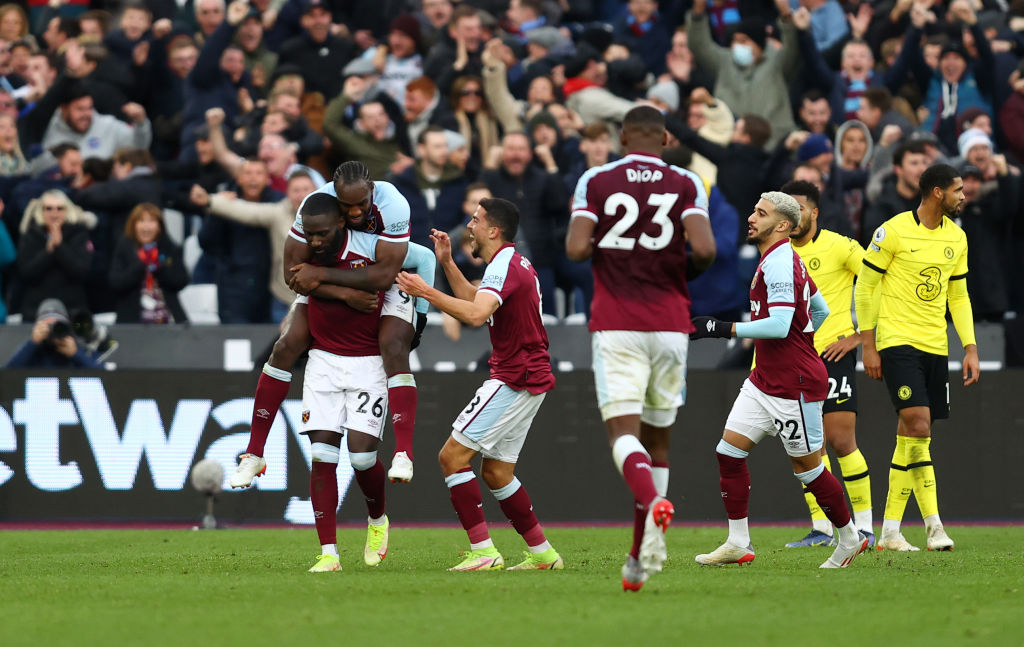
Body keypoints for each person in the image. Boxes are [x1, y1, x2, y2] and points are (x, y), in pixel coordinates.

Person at [564, 106, 716, 590]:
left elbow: (575, 249)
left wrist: (609, 250)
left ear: (623, 136)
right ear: (667, 138)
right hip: (672, 324)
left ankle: (653, 504)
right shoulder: (688, 182)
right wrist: (674, 273)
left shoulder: (597, 179)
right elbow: (707, 251)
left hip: (618, 322)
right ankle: (642, 556)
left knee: (622, 435)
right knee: (659, 442)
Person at [688, 191, 868, 569]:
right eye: (753, 210)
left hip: (793, 383)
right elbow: (820, 310)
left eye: (761, 213)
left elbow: (782, 323)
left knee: (809, 468)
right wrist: (804, 340)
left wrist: (720, 328)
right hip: (765, 377)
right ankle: (738, 542)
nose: (751, 218)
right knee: (729, 452)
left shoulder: (781, 262)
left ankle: (850, 538)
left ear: (783, 226)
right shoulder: (783, 258)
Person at [230, 162, 433, 489]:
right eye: (346, 205)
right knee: (285, 347)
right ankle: (254, 453)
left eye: (361, 204)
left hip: (379, 274)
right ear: (334, 197)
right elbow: (291, 275)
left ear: (372, 191)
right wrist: (343, 292)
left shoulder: (393, 204)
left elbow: (383, 275)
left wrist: (322, 275)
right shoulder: (315, 206)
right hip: (339, 272)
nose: (354, 212)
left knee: (394, 347)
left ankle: (404, 452)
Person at [396, 197, 562, 572]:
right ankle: (542, 554)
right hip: (526, 374)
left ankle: (483, 551)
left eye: (475, 220)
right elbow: (476, 299)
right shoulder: (508, 263)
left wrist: (425, 291)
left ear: (493, 230)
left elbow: (474, 314)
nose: (468, 226)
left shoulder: (504, 264)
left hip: (515, 376)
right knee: (497, 472)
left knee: (451, 457)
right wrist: (447, 263)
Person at [855, 163, 979, 552]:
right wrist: (869, 344)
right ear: (938, 192)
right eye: (958, 189)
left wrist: (970, 346)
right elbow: (866, 286)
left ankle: (890, 531)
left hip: (936, 346)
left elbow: (957, 295)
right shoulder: (891, 231)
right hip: (897, 341)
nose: (964, 196)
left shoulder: (957, 238)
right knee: (919, 425)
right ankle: (934, 526)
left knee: (911, 435)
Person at [296, 193, 392, 574]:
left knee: (363, 457)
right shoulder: (303, 251)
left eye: (321, 235)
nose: (314, 242)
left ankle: (377, 520)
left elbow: (381, 282)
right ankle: (328, 553)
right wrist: (344, 292)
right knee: (322, 455)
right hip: (322, 360)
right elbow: (297, 280)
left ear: (340, 223)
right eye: (309, 235)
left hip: (368, 362)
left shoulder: (370, 247)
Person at [781, 180, 874, 548]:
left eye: (800, 208)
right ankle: (822, 528)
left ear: (815, 211)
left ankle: (864, 525)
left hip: (832, 355)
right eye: (787, 209)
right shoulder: (776, 252)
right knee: (805, 446)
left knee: (839, 439)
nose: (794, 215)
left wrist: (861, 337)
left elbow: (881, 280)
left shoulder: (841, 246)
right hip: (790, 358)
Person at [108, 203, 189, 324]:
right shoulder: (124, 248)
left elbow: (181, 281)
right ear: (133, 225)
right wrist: (140, 265)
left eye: (151, 221)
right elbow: (115, 283)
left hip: (168, 320)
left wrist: (159, 267)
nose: (146, 227)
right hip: (132, 322)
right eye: (141, 221)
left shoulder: (170, 248)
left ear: (159, 226)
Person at [6, 298, 103, 369]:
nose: (52, 330)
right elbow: (6, 376)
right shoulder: (31, 351)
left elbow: (106, 378)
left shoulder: (79, 348)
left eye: (58, 326)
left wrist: (76, 354)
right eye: (47, 325)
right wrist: (32, 343)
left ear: (67, 326)